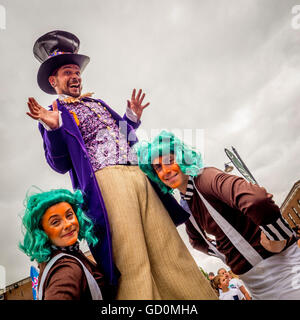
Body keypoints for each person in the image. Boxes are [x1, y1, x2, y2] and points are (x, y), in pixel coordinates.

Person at [26, 30, 217, 299]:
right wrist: (54, 128)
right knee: (131, 255)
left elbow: (125, 136)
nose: (75, 76)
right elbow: (58, 164)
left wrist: (132, 118)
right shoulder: (54, 113)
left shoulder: (97, 102)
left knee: (166, 245)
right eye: (68, 72)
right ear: (53, 80)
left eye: (77, 72)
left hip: (138, 175)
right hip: (107, 183)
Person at [135, 130, 300, 299]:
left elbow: (258, 201)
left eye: (170, 161)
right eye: (158, 167)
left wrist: (277, 239)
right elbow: (196, 241)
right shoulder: (186, 203)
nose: (166, 171)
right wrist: (225, 254)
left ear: (182, 157)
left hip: (284, 273)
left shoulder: (205, 178)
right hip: (256, 287)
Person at [19, 188, 110, 300]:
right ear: (42, 233)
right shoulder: (66, 269)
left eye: (69, 215)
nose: (67, 224)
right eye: (55, 222)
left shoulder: (63, 254)